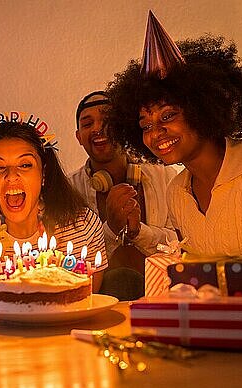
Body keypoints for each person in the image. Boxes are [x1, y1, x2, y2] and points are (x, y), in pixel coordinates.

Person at [106, 32, 242, 257]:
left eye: (168, 116)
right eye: (146, 125)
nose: (156, 133)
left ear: (203, 108)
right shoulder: (177, 192)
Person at [0, 118, 108, 307]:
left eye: (25, 165)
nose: (12, 176)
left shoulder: (83, 227)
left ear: (44, 174)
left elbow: (84, 305)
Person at [69, 91, 177, 299]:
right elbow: (70, 263)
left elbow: (179, 245)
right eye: (87, 123)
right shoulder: (69, 190)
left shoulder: (165, 176)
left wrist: (138, 232)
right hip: (97, 305)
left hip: (162, 298)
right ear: (78, 137)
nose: (98, 128)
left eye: (108, 120)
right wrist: (110, 230)